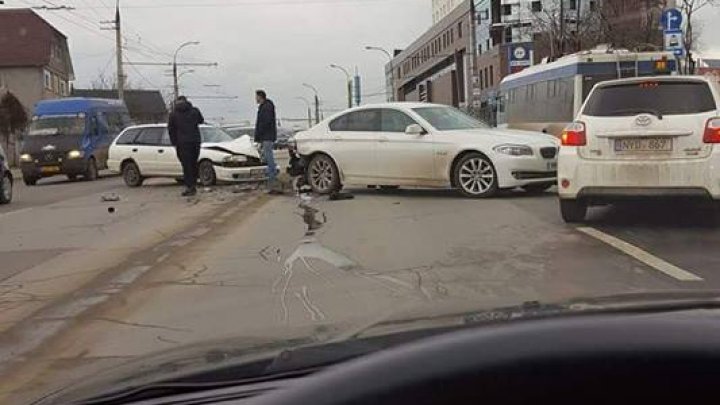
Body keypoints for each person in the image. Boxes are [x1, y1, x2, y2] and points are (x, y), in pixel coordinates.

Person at [168, 96, 204, 196]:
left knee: (186, 165)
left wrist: (174, 143)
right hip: (195, 141)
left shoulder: (173, 114)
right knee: (193, 163)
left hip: (182, 143)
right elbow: (201, 120)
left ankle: (190, 186)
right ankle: (194, 184)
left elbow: (171, 130)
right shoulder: (194, 111)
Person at [254, 90, 280, 193]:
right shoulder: (265, 106)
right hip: (266, 136)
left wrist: (260, 133)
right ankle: (271, 177)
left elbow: (265, 122)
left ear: (260, 97)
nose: (255, 99)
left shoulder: (266, 107)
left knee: (269, 158)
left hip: (267, 136)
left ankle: (272, 179)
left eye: (256, 97)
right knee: (267, 157)